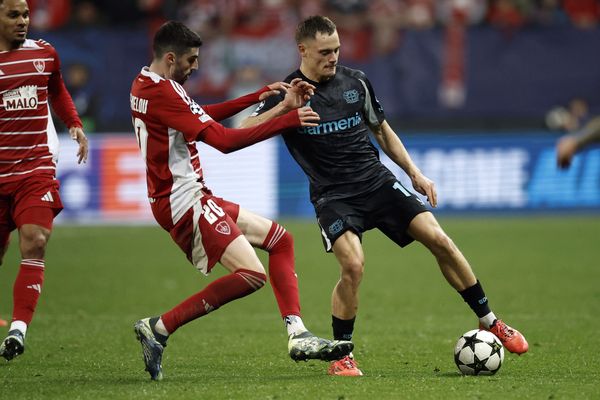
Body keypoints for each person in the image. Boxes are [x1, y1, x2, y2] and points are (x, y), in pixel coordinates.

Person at [242, 15, 529, 377]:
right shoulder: (286, 93)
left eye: (337, 50)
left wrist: (414, 173)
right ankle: (342, 356)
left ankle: (490, 321)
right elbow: (239, 130)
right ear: (302, 50)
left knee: (440, 240)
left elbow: (382, 130)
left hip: (376, 182)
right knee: (353, 265)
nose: (333, 57)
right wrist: (285, 107)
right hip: (333, 195)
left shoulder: (355, 82)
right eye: (325, 52)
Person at [130, 21, 353, 381]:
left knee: (281, 240)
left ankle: (297, 334)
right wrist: (288, 119)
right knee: (250, 275)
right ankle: (158, 327)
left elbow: (202, 114)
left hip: (188, 195)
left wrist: (259, 96)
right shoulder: (165, 93)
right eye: (191, 60)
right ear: (170, 59)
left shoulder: (147, 83)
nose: (196, 67)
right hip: (183, 200)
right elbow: (225, 142)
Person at [0, 0, 88, 361]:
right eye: (13, 15)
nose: (23, 22)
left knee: (35, 241)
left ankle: (18, 330)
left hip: (35, 170)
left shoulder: (45, 54)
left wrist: (75, 125)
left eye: (25, 15)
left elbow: (57, 91)